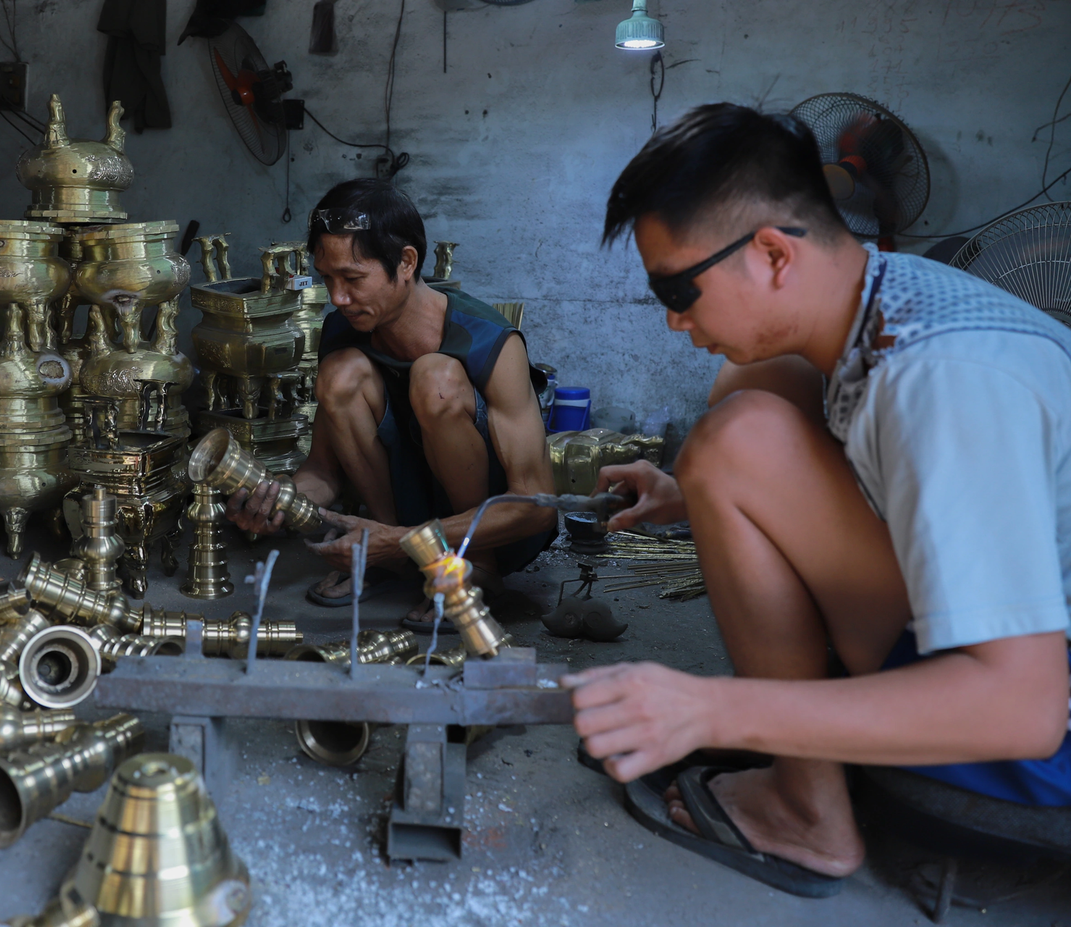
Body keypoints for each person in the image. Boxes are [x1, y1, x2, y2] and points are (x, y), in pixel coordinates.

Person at [567, 102, 1071, 896]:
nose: (672, 317)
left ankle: (806, 810)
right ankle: (803, 764)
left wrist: (714, 709)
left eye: (679, 287)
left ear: (773, 252)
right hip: (1021, 670)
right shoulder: (885, 298)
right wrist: (688, 493)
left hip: (1042, 743)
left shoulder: (945, 380)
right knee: (749, 400)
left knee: (738, 437)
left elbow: (1024, 710)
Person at [223, 179, 556, 623]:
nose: (338, 297)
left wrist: (400, 540)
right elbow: (324, 471)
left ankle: (475, 568)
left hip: (492, 531)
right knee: (340, 373)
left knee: (435, 379)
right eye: (327, 278)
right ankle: (388, 557)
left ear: (406, 262)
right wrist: (279, 501)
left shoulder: (488, 341)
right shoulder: (344, 330)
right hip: (400, 524)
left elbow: (536, 506)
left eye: (353, 279)